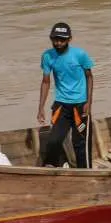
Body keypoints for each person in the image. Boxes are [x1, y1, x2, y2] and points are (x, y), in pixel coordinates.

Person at [36, 22, 95, 168]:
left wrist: (89, 102)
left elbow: (89, 77)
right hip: (61, 105)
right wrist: (40, 108)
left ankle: (85, 172)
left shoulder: (80, 54)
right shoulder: (47, 56)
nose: (58, 43)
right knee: (53, 140)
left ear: (69, 39)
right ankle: (51, 167)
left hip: (80, 106)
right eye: (55, 39)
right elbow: (45, 82)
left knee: (80, 143)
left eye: (62, 40)